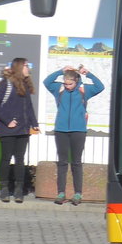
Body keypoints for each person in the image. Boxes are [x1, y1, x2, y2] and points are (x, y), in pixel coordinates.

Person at [43, 64, 104, 205]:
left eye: (70, 84)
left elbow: (100, 87)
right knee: (62, 162)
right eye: (65, 83)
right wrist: (61, 71)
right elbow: (47, 82)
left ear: (76, 81)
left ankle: (77, 194)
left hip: (78, 130)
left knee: (76, 162)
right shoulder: (58, 89)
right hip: (61, 130)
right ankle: (61, 193)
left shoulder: (84, 90)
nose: (67, 86)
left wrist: (88, 73)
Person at [0, 57, 38, 203]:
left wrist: (34, 123)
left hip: (23, 130)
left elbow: (28, 107)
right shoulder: (7, 84)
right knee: (6, 158)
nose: (28, 68)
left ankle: (18, 190)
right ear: (19, 67)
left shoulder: (25, 84)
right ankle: (4, 188)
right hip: (8, 130)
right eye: (26, 66)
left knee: (20, 159)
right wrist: (7, 121)